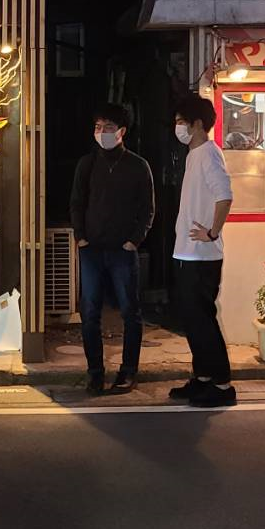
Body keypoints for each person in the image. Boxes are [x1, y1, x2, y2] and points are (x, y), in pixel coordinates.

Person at [69, 103, 156, 395]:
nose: (101, 133)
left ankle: (128, 371)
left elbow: (148, 208)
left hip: (123, 249)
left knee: (130, 311)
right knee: (90, 311)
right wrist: (80, 236)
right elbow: (77, 202)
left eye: (107, 128)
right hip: (91, 248)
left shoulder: (137, 165)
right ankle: (95, 372)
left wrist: (135, 239)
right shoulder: (87, 163)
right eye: (97, 127)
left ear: (121, 132)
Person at [168, 94, 236, 409]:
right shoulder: (195, 154)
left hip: (201, 255)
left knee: (202, 320)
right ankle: (203, 378)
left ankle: (222, 385)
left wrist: (212, 232)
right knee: (193, 320)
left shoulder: (209, 154)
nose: (177, 127)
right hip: (187, 253)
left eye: (182, 121)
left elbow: (225, 196)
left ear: (197, 124)